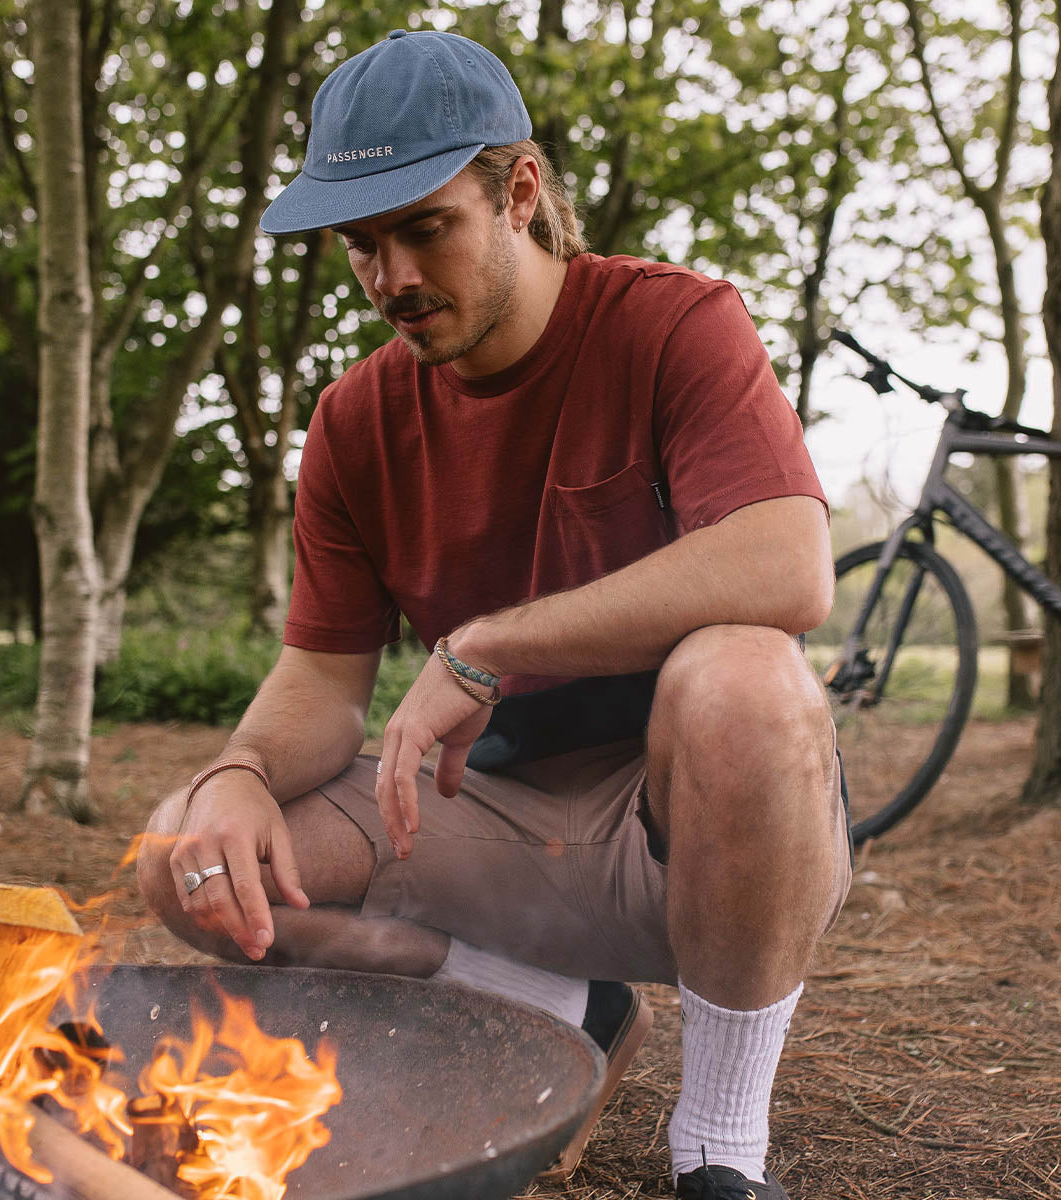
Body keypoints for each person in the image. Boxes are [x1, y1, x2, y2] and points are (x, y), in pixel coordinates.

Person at [137, 28, 852, 1200]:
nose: (392, 277)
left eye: (424, 228)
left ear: (518, 190)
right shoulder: (355, 423)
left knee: (743, 675)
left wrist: (491, 644)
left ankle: (722, 1146)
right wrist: (238, 775)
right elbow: (320, 681)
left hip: (696, 825)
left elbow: (790, 565)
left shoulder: (673, 325)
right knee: (194, 860)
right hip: (484, 820)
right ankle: (568, 1009)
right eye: (361, 244)